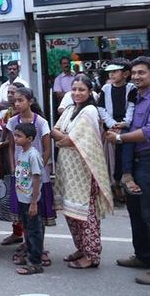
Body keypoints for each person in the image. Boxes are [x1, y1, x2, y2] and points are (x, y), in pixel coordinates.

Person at [106, 57, 150, 285]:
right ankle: (143, 256)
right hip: (131, 160)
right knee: (135, 211)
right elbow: (131, 123)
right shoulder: (136, 96)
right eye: (133, 73)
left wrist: (119, 137)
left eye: (141, 73)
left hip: (148, 160)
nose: (136, 77)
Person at [52, 75, 113, 269]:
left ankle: (92, 255)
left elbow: (69, 140)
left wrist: (63, 139)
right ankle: (81, 248)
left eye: (82, 90)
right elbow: (57, 131)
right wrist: (64, 138)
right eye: (74, 89)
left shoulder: (89, 111)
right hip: (69, 170)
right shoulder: (70, 109)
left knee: (86, 215)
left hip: (85, 171)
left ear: (90, 92)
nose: (77, 93)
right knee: (72, 212)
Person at [7, 88, 55, 267]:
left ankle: (38, 251)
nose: (17, 104)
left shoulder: (41, 122)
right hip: (20, 175)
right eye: (15, 101)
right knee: (25, 216)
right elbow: (11, 147)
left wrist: (38, 169)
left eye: (21, 100)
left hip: (36, 175)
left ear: (30, 101)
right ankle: (29, 247)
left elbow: (48, 148)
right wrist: (14, 169)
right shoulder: (12, 121)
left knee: (37, 214)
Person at [97, 59, 137, 200]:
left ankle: (124, 177)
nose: (112, 74)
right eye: (110, 72)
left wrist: (124, 123)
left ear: (125, 74)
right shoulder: (105, 89)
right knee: (110, 159)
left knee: (124, 151)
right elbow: (101, 108)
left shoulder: (131, 88)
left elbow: (132, 107)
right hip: (109, 127)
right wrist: (112, 123)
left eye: (115, 71)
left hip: (125, 127)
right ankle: (112, 185)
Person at [12, 123, 45, 275]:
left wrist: (34, 202)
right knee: (27, 230)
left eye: (19, 136)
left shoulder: (33, 155)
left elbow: (37, 178)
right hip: (22, 199)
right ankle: (30, 256)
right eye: (15, 135)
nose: (15, 138)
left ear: (30, 138)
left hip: (31, 201)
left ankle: (36, 263)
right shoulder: (21, 153)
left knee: (34, 231)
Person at [0, 82, 27, 246]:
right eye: (8, 92)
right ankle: (17, 231)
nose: (10, 96)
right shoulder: (6, 113)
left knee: (24, 197)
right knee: (12, 196)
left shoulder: (25, 116)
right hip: (7, 159)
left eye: (13, 93)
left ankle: (26, 235)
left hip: (21, 160)